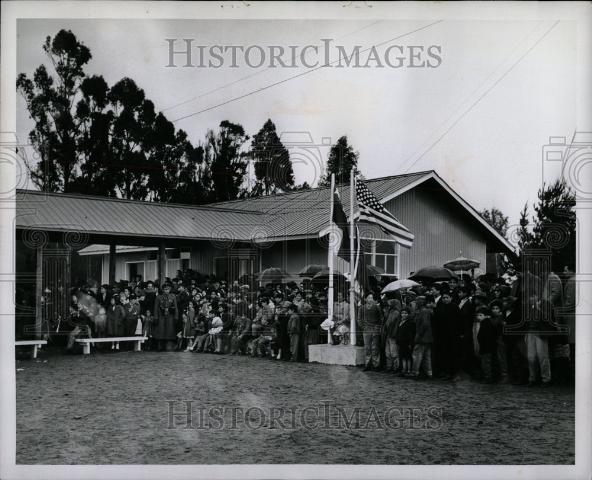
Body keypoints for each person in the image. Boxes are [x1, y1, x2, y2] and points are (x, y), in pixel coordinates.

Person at [410, 295, 434, 379]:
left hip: (422, 337)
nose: (416, 303)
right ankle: (429, 373)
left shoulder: (423, 311)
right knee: (427, 356)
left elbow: (425, 324)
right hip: (427, 338)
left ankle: (415, 372)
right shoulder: (425, 311)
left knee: (417, 355)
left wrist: (419, 334)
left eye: (417, 302)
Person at [360, 293, 384, 371]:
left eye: (372, 298)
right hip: (366, 330)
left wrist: (378, 326)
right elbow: (359, 319)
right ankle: (367, 364)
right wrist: (363, 327)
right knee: (367, 347)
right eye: (369, 297)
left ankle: (376, 365)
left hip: (375, 329)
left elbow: (381, 318)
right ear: (365, 299)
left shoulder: (377, 307)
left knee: (375, 347)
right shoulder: (362, 308)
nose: (370, 299)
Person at [153, 283, 179, 351]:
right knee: (161, 330)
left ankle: (169, 344)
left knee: (169, 331)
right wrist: (155, 318)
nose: (166, 291)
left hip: (170, 316)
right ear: (163, 290)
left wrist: (176, 317)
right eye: (165, 289)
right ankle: (160, 345)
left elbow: (176, 307)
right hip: (161, 316)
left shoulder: (173, 296)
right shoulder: (159, 297)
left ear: (170, 289)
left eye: (168, 289)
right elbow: (155, 308)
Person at [382, 298, 401, 372]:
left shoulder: (396, 312)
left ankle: (395, 367)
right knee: (388, 352)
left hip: (392, 334)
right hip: (388, 334)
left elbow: (390, 322)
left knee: (393, 352)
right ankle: (389, 366)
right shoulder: (391, 311)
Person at [395, 307, 415, 376]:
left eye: (406, 313)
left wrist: (410, 343)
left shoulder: (410, 322)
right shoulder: (400, 322)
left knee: (408, 357)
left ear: (409, 314)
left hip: (407, 342)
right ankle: (404, 369)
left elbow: (411, 334)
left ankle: (409, 370)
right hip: (401, 342)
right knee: (403, 356)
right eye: (402, 313)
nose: (404, 315)